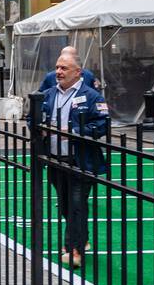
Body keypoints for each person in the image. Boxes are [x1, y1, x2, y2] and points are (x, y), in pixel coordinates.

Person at [40, 49, 109, 269]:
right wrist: (39, 128)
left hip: (80, 160)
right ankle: (82, 238)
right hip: (55, 159)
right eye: (57, 67)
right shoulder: (49, 93)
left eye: (64, 68)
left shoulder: (93, 96)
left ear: (78, 72)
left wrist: (71, 131)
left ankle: (73, 248)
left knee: (77, 204)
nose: (58, 72)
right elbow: (33, 116)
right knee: (66, 205)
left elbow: (102, 125)